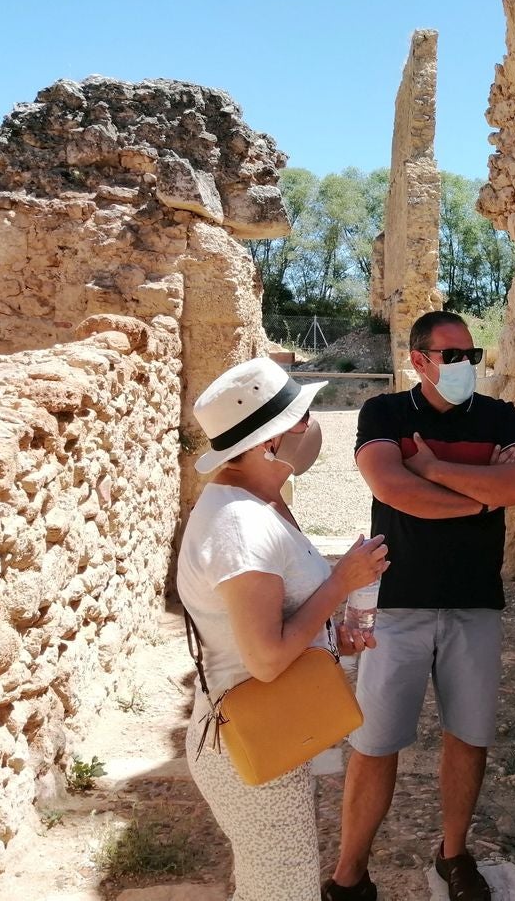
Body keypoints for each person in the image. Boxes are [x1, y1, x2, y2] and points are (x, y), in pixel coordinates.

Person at [329, 311, 515, 901]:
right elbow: (395, 492)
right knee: (375, 743)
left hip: (476, 601)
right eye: (451, 356)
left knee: (468, 736)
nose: (464, 367)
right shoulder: (385, 414)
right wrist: (480, 497)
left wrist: (434, 468)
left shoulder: (502, 417)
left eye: (470, 356)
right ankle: (350, 874)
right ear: (419, 359)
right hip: (397, 601)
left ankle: (454, 855)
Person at [178, 356, 390, 901]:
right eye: (301, 416)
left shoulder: (250, 506)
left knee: (271, 881)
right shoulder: (240, 528)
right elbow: (266, 660)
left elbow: (273, 625)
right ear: (267, 443)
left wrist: (329, 638)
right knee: (283, 886)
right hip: (246, 738)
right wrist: (341, 584)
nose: (310, 426)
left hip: (261, 728)